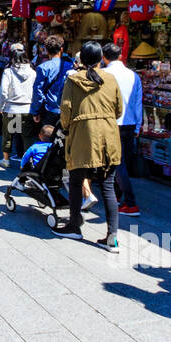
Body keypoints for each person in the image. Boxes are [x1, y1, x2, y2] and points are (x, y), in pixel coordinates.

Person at [54, 40, 122, 250]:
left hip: (82, 135)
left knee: (76, 180)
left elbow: (65, 110)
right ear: (101, 58)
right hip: (109, 136)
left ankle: (74, 225)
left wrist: (67, 128)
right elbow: (119, 109)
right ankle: (112, 237)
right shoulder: (110, 79)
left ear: (81, 59)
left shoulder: (73, 81)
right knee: (108, 186)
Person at [102, 41, 143, 216]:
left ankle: (130, 201)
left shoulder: (103, 74)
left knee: (118, 164)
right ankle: (118, 196)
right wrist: (138, 125)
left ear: (103, 58)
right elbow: (138, 101)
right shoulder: (133, 75)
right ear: (120, 56)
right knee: (122, 162)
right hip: (130, 123)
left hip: (112, 123)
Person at [0, 43, 36, 166]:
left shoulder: (8, 72)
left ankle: (6, 160)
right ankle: (27, 162)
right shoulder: (33, 72)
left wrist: (1, 106)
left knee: (8, 136)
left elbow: (3, 91)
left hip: (11, 108)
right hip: (27, 108)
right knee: (27, 137)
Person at [29, 34, 74, 132]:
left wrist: (35, 112)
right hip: (68, 109)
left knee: (48, 138)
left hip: (49, 110)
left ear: (47, 50)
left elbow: (38, 91)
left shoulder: (43, 67)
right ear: (61, 49)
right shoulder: (71, 66)